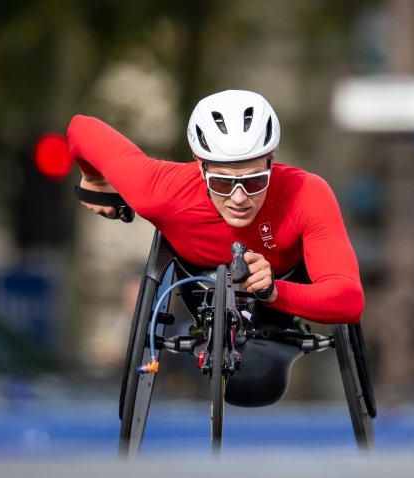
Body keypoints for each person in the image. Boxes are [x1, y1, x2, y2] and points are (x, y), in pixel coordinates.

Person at [68, 90, 364, 405]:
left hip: (280, 303)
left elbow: (349, 301)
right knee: (239, 381)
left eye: (254, 181)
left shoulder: (307, 194)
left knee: (257, 386)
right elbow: (80, 128)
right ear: (201, 166)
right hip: (202, 294)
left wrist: (274, 291)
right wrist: (93, 178)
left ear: (271, 160)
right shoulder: (162, 190)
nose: (239, 198)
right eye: (223, 182)